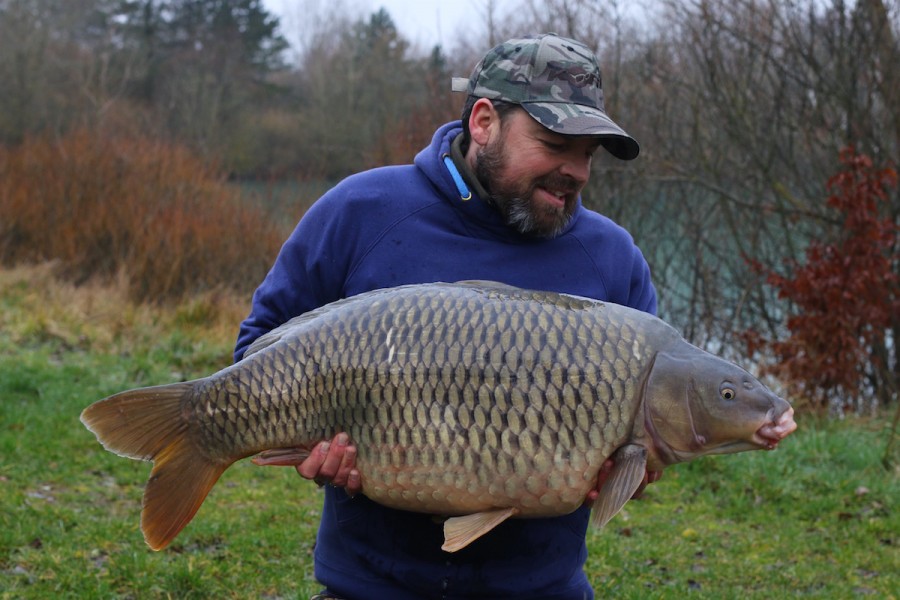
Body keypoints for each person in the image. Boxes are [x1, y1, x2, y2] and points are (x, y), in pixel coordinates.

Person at [235, 33, 658, 600]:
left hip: (541, 588)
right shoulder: (360, 212)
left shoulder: (612, 259)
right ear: (484, 122)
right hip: (371, 586)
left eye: (588, 154)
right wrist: (311, 444)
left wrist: (632, 472)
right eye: (556, 143)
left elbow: (645, 430)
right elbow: (256, 353)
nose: (576, 171)